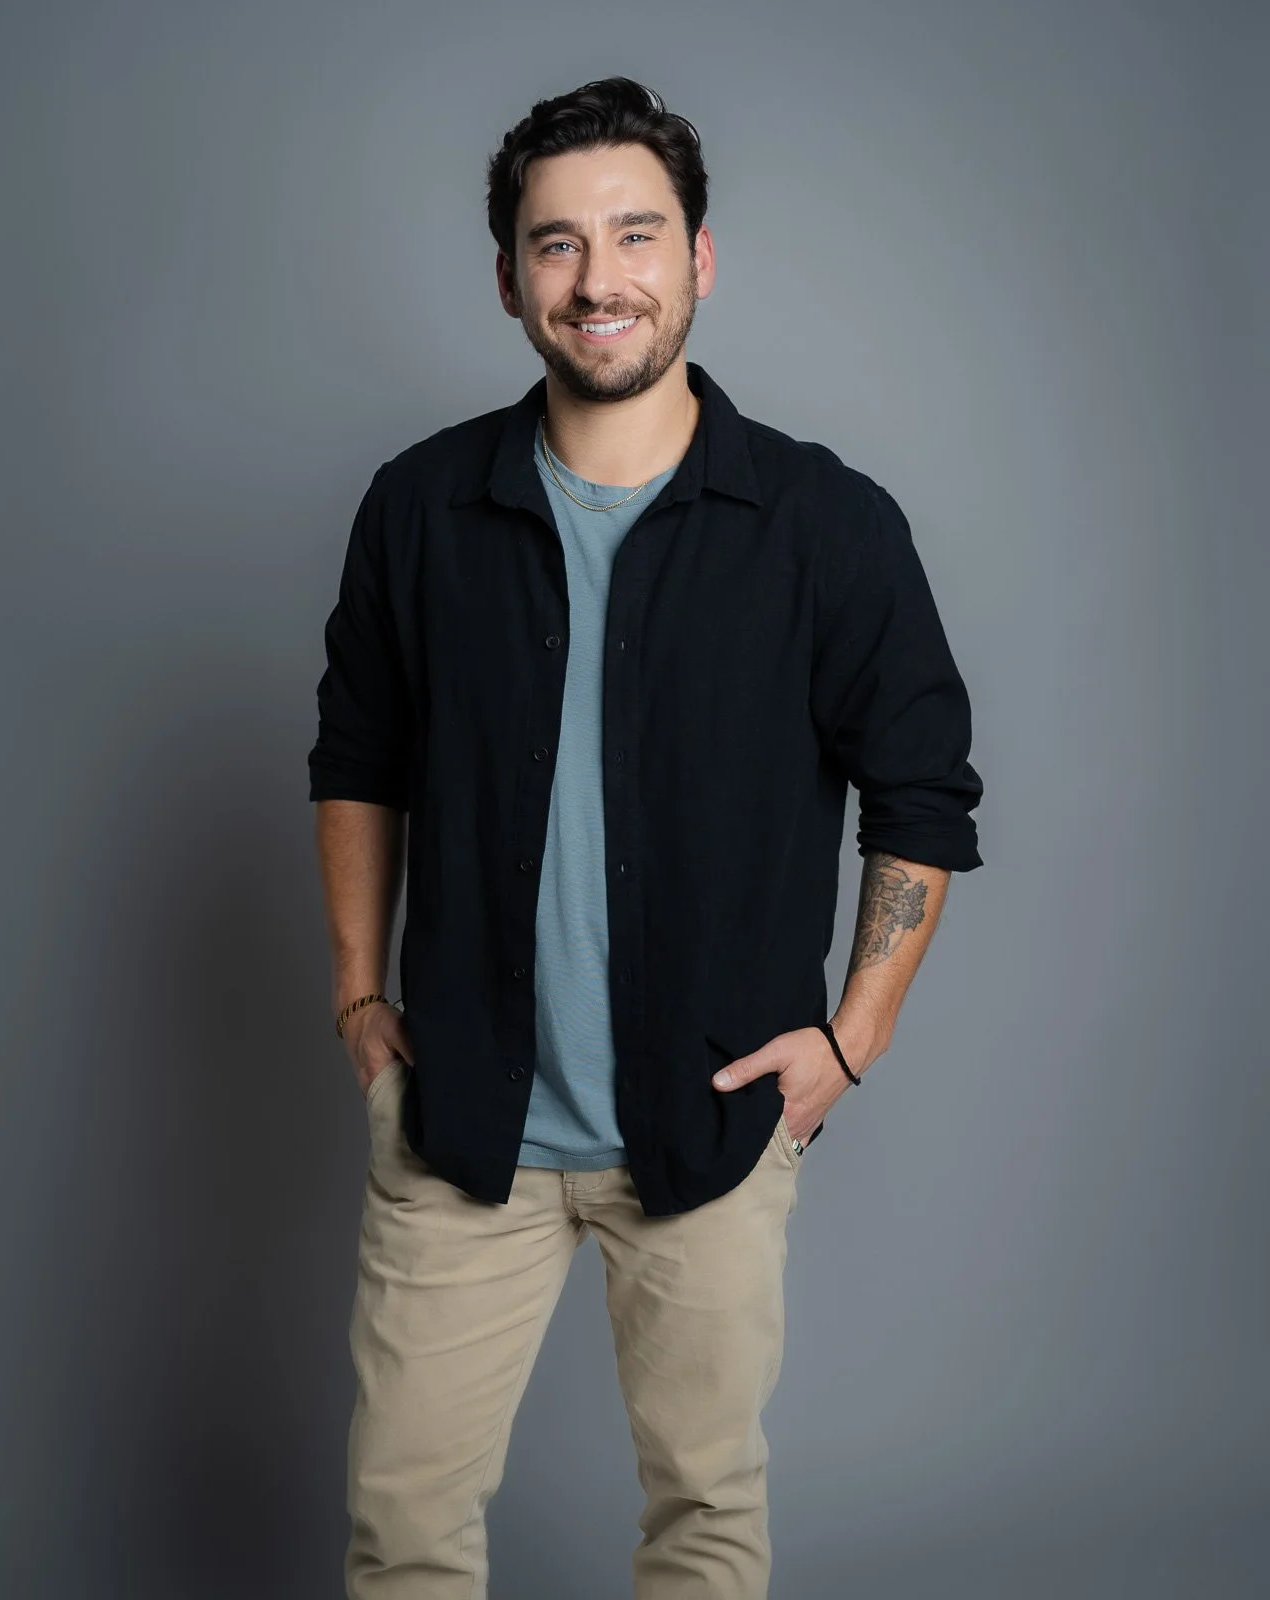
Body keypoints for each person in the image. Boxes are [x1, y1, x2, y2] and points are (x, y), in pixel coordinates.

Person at [308, 74, 984, 1600]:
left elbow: (924, 797)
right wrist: (361, 995)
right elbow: (357, 758)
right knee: (401, 1527)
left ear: (699, 259)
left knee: (705, 1520)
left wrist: (848, 1039)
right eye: (556, 245)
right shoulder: (419, 511)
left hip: (717, 1125)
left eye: (634, 235)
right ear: (508, 279)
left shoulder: (827, 525)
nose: (598, 279)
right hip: (462, 1120)